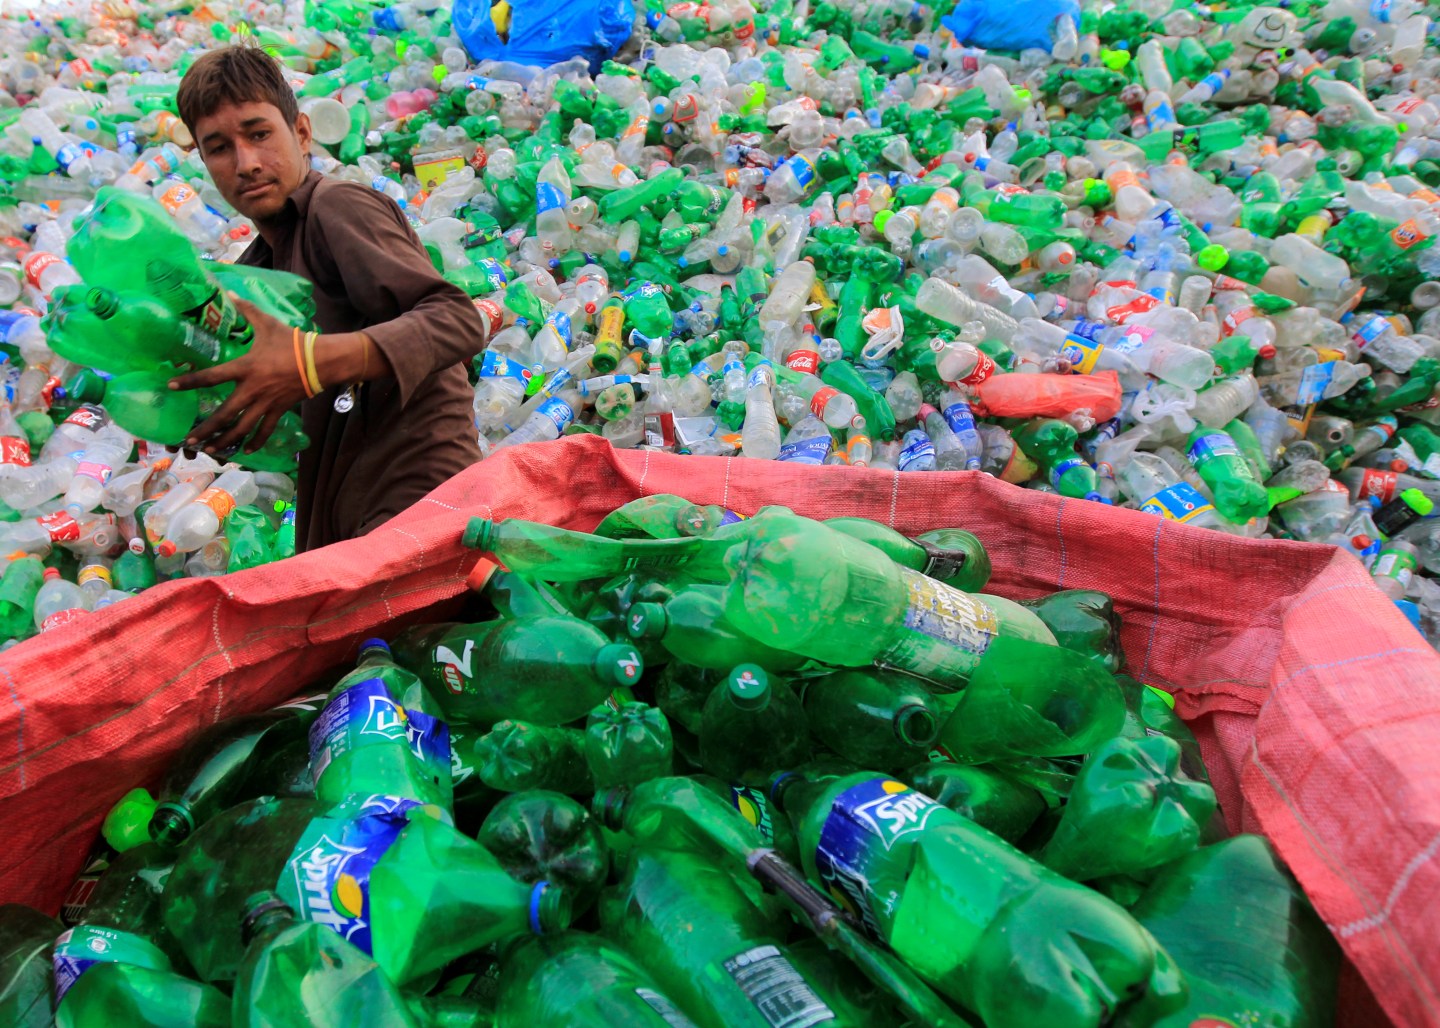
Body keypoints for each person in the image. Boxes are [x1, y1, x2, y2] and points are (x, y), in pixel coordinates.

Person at [172, 44, 484, 552]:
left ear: (300, 132)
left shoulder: (336, 207)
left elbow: (457, 319)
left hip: (419, 498)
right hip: (338, 510)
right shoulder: (255, 274)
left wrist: (309, 363)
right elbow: (278, 412)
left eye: (258, 134)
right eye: (220, 147)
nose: (246, 163)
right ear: (204, 161)